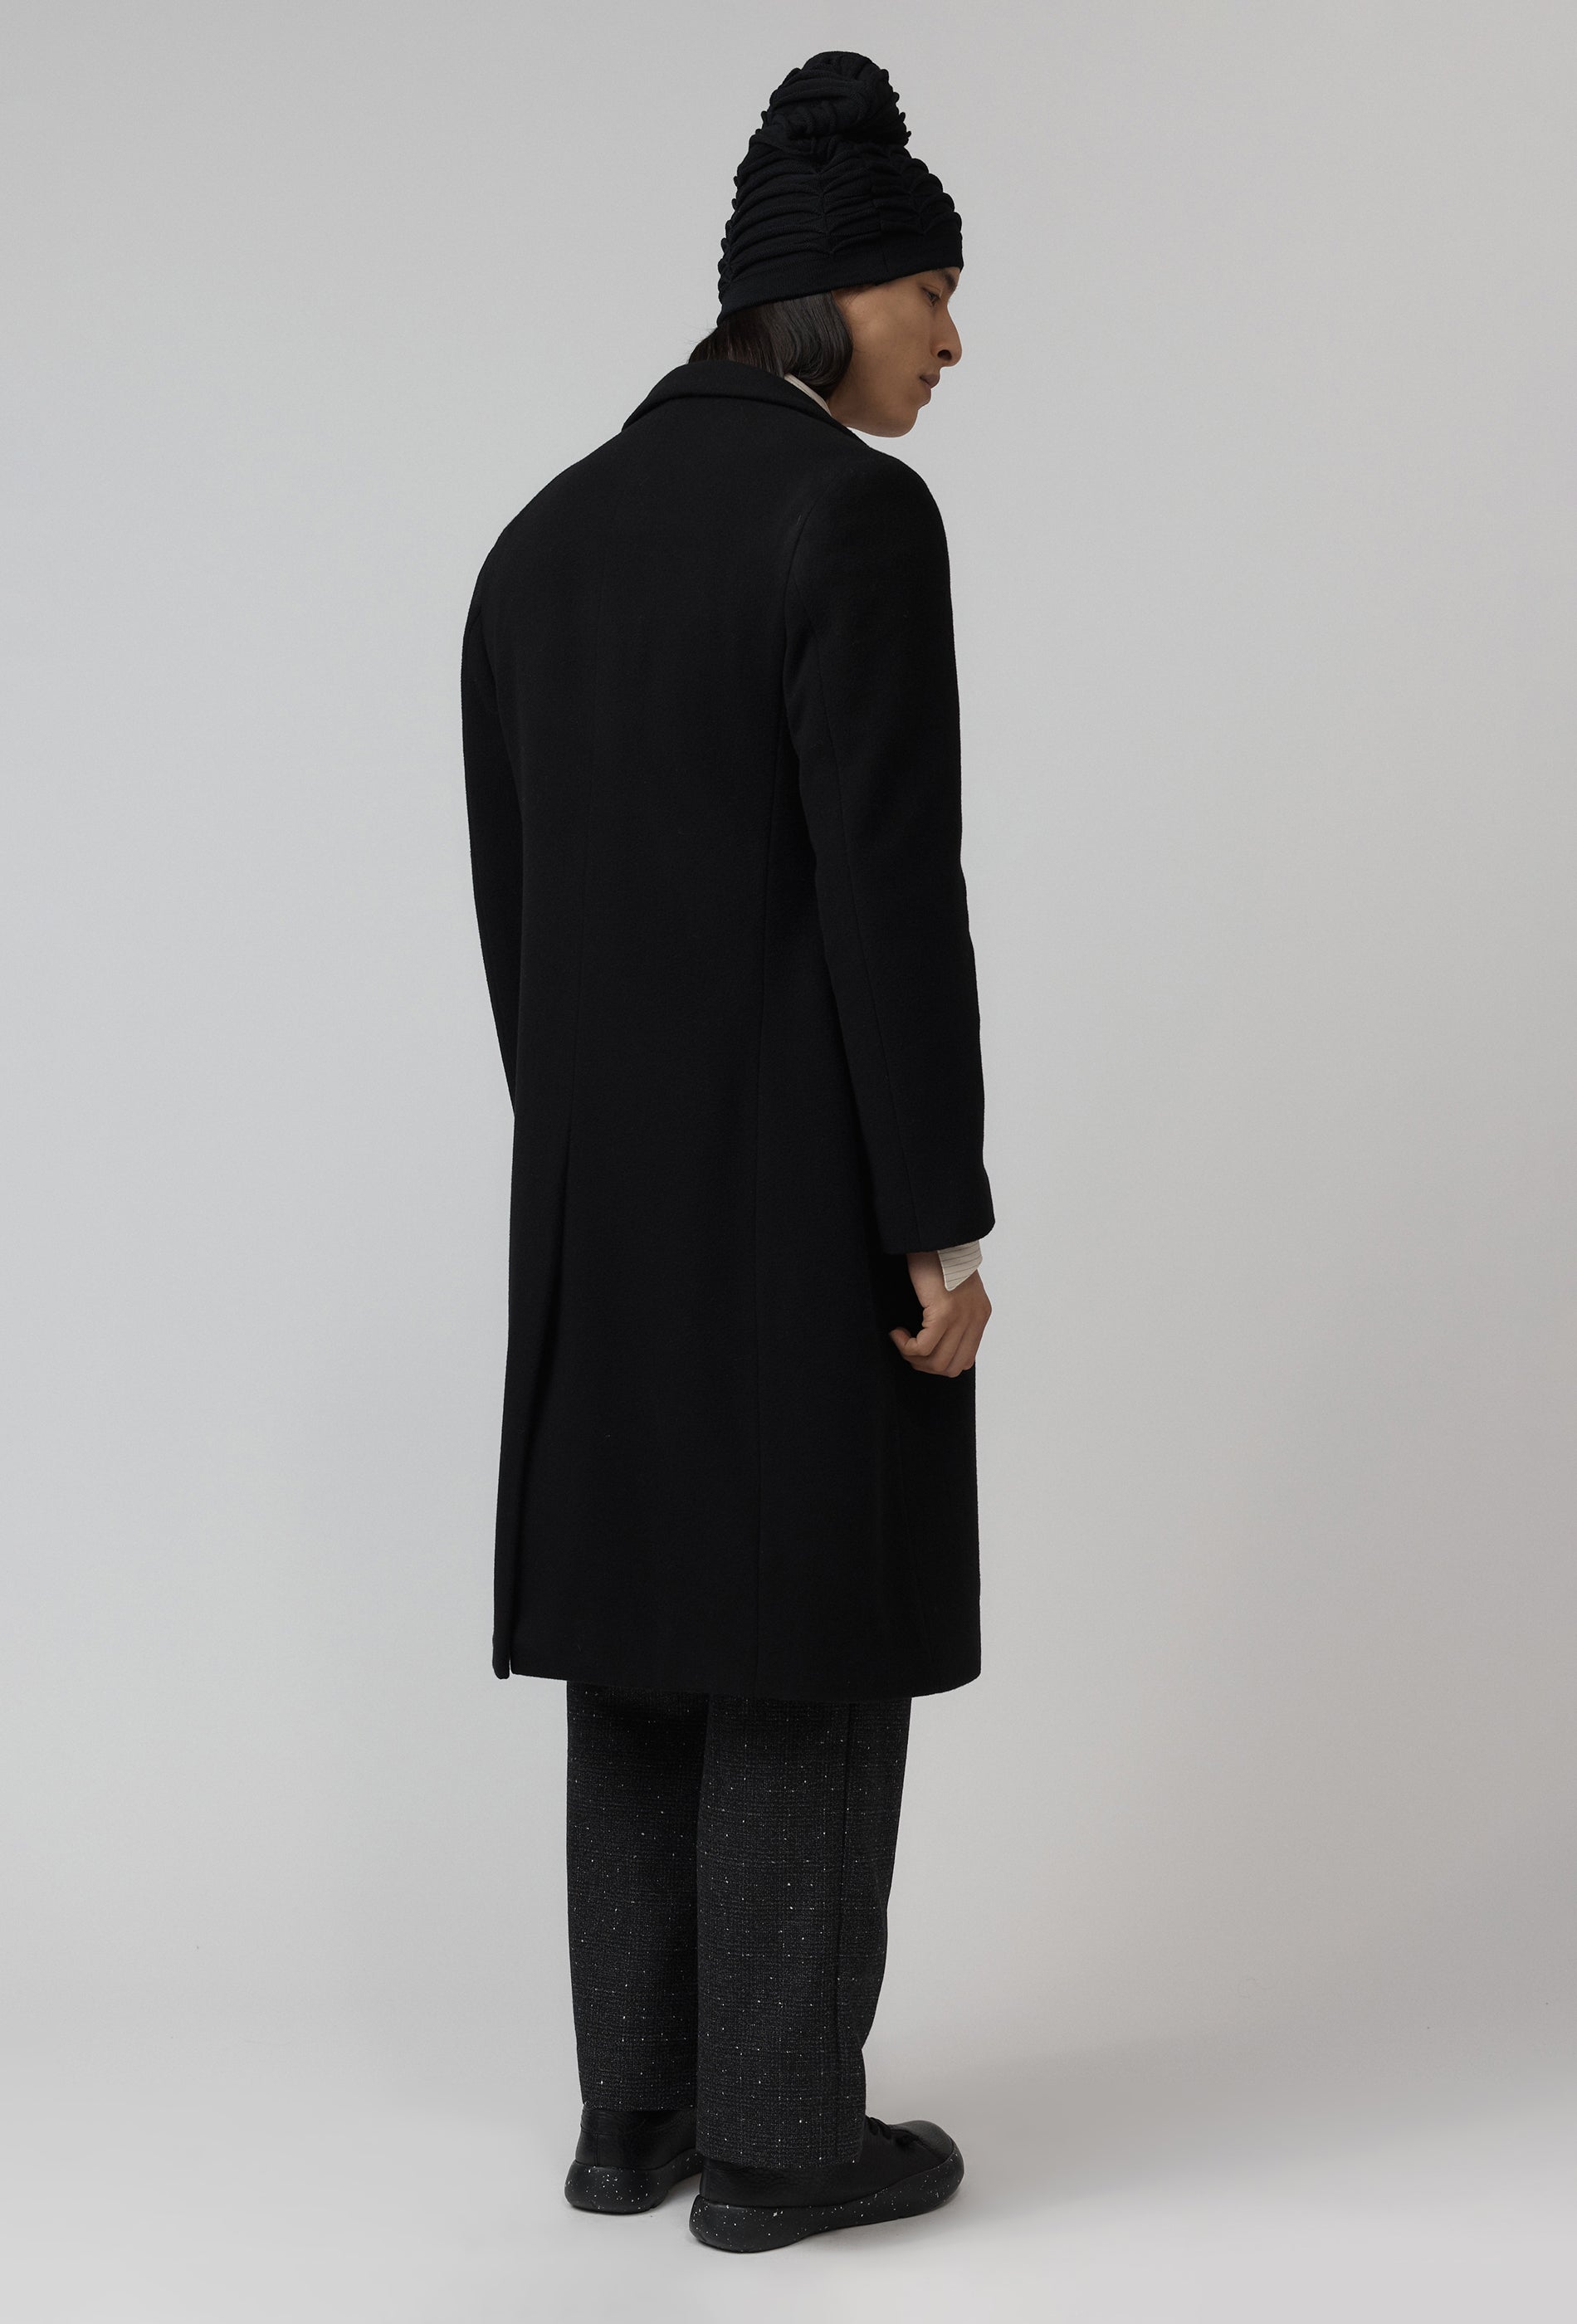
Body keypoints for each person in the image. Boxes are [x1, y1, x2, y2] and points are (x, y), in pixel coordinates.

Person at [460, 51, 994, 2253]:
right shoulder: (847, 517)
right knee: (803, 1638)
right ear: (837, 293)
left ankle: (638, 2115)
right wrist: (934, 1220)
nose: (952, 341)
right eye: (934, 293)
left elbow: (512, 919)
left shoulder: (541, 539)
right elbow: (889, 897)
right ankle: (782, 2144)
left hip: (598, 1203)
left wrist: (599, 1152)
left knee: (642, 1632)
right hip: (802, 1198)